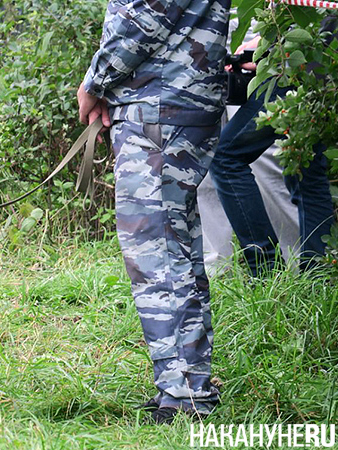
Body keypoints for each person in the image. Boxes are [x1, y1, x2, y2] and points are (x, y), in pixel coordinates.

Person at [77, 0, 230, 423]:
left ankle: (185, 393)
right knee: (174, 244)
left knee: (157, 249)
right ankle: (187, 383)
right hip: (174, 94)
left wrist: (96, 82)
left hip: (161, 101)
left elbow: (144, 14)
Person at [208, 36, 335, 276]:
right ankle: (318, 278)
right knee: (305, 167)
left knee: (226, 158)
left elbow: (295, 14)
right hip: (324, 61)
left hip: (297, 62)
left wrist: (269, 45)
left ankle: (267, 273)